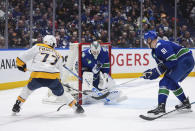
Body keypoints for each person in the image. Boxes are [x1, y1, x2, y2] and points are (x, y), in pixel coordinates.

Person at [12, 35, 84, 115]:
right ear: (53, 43)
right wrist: (58, 81)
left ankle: (17, 105)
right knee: (62, 93)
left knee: (27, 90)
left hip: (37, 76)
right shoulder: (58, 55)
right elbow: (60, 72)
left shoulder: (38, 46)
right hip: (53, 78)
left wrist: (20, 64)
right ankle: (77, 107)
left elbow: (22, 56)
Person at [143, 31, 195, 115]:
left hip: (183, 59)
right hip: (187, 60)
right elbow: (163, 68)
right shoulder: (154, 52)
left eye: (147, 40)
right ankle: (185, 103)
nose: (146, 42)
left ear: (152, 39)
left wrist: (156, 71)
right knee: (170, 82)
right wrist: (151, 74)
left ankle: (161, 107)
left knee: (165, 82)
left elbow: (172, 61)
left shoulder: (160, 45)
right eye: (145, 40)